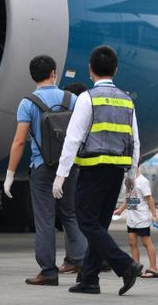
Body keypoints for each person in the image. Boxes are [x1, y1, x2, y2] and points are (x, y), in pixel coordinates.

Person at [54, 45, 142, 296]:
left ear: (90, 69)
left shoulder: (87, 98)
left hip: (93, 170)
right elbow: (135, 141)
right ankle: (90, 280)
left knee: (86, 221)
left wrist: (61, 174)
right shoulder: (127, 100)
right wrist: (130, 174)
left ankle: (125, 265)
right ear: (115, 70)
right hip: (116, 171)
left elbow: (73, 138)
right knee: (99, 225)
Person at [3, 55, 87, 286]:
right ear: (54, 73)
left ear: (32, 76)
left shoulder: (27, 103)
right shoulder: (72, 99)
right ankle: (82, 264)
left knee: (45, 220)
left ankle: (49, 272)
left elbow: (19, 141)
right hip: (69, 167)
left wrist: (9, 175)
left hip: (42, 167)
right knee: (70, 215)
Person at [58, 81, 89, 275]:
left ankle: (77, 259)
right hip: (91, 170)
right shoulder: (93, 114)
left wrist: (60, 174)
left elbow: (70, 145)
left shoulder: (73, 118)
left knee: (69, 214)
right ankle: (94, 256)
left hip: (74, 170)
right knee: (86, 216)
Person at [114, 168, 158, 279]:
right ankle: (136, 267)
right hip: (131, 218)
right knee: (132, 242)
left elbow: (149, 199)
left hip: (141, 218)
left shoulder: (142, 181)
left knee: (146, 242)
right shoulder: (129, 180)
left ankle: (153, 268)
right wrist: (120, 209)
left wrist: (154, 215)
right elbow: (129, 198)